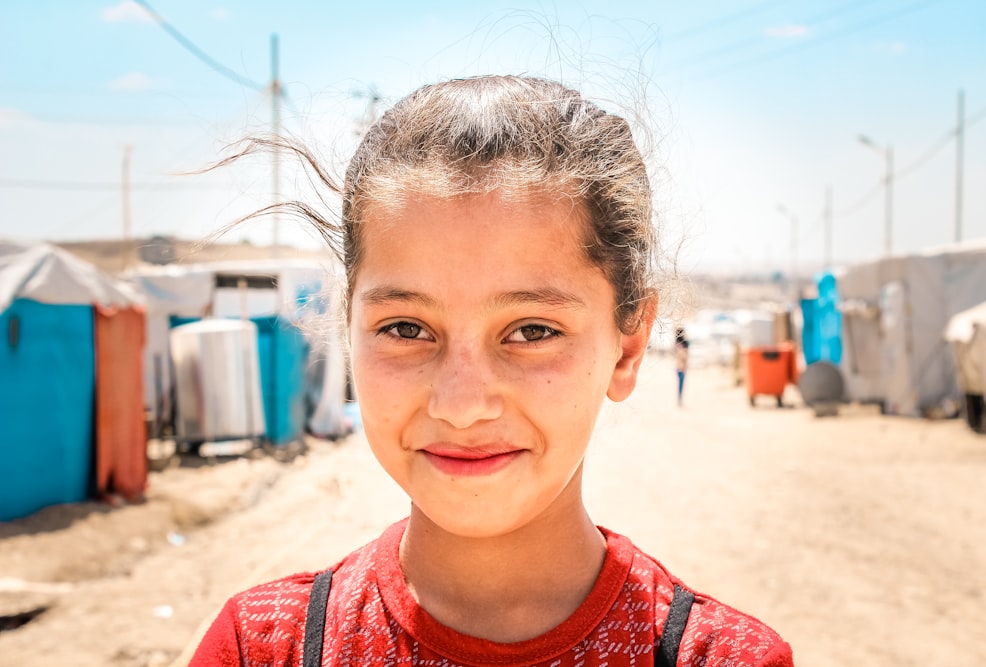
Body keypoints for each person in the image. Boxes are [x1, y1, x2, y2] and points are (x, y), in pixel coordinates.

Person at [190, 75, 793, 666]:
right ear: (349, 328)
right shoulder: (266, 648)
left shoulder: (720, 657)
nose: (461, 403)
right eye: (405, 329)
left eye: (532, 332)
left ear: (628, 347)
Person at [675, 327, 690, 406]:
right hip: (682, 367)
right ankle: (680, 399)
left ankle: (679, 399)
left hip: (678, 367)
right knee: (681, 384)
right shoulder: (685, 344)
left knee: (679, 385)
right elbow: (685, 357)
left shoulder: (677, 344)